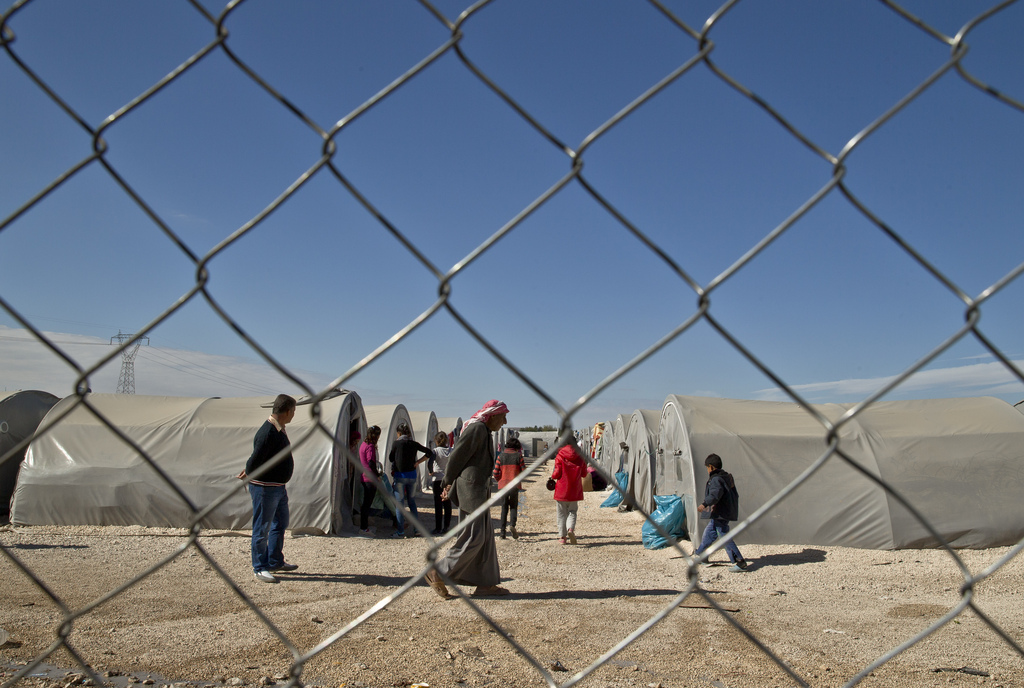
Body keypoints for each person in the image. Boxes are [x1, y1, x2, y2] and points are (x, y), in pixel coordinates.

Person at [425, 400, 510, 600]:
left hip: (478, 491)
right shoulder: (478, 430)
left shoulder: (485, 432)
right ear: (492, 415)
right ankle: (438, 571)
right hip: (471, 491)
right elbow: (457, 457)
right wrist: (447, 481)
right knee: (475, 536)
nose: (504, 422)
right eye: (503, 416)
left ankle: (485, 583)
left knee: (485, 537)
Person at [241, 394, 298, 583]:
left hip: (278, 487)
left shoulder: (279, 429)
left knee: (280, 523)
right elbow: (254, 462)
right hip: (265, 488)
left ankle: (275, 560)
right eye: (293, 411)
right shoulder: (268, 432)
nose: (293, 415)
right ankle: (259, 567)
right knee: (262, 527)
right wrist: (249, 471)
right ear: (288, 411)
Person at [694, 453, 749, 572]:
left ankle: (740, 561)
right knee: (710, 530)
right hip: (724, 511)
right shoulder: (726, 477)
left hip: (721, 512)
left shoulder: (716, 479)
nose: (707, 470)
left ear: (711, 467)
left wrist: (704, 504)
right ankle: (701, 554)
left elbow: (715, 495)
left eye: (707, 468)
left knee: (723, 534)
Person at [388, 422, 432, 538]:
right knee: (412, 503)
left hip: (400, 476)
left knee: (400, 505)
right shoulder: (413, 444)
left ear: (399, 433)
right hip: (412, 476)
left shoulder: (396, 444)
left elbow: (391, 458)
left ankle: (400, 532)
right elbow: (429, 452)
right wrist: (418, 462)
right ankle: (417, 529)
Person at [551, 442, 587, 545]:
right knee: (572, 511)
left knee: (561, 513)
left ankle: (562, 537)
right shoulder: (580, 457)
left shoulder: (560, 456)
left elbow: (556, 473)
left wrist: (553, 476)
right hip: (575, 490)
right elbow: (584, 474)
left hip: (562, 490)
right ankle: (570, 529)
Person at [493, 437, 525, 539]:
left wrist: (500, 480)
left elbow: (495, 472)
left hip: (503, 486)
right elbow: (524, 470)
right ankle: (512, 525)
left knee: (504, 507)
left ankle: (502, 532)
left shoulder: (501, 456)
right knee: (514, 506)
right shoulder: (518, 456)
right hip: (514, 485)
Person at [357, 425, 383, 536]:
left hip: (364, 476)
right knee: (367, 504)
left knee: (365, 504)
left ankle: (364, 527)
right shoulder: (370, 446)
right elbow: (371, 463)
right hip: (370, 478)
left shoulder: (363, 445)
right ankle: (364, 528)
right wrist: (377, 476)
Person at [427, 431, 453, 535]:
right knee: (447, 504)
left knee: (438, 504)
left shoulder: (435, 451)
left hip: (437, 478)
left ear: (437, 441)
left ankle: (438, 527)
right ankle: (446, 527)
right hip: (447, 479)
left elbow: (430, 462)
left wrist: (430, 471)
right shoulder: (451, 450)